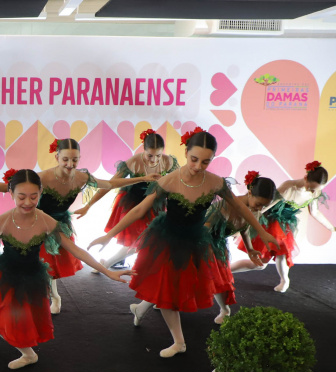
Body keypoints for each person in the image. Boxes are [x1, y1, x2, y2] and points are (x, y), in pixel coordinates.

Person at [90, 128, 277, 358]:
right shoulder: (170, 180)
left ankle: (142, 311)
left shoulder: (215, 182)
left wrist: (262, 233)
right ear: (186, 152)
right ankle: (179, 341)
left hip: (195, 243)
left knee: (174, 291)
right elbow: (140, 209)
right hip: (167, 240)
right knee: (167, 291)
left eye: (206, 162)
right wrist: (109, 235)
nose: (198, 166)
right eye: (194, 159)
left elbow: (241, 208)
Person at [0, 169, 132, 370]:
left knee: (14, 319)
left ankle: (29, 355)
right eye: (21, 197)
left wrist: (108, 272)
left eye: (34, 197)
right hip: (3, 274)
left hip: (30, 278)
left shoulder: (46, 221)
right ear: (11, 194)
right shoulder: (3, 221)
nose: (28, 202)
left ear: (40, 194)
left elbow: (76, 251)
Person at [0, 138, 118, 314]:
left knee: (47, 265)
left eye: (75, 160)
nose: (70, 164)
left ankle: (52, 297)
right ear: (57, 157)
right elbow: (8, 187)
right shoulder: (41, 178)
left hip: (55, 225)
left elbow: (111, 184)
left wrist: (141, 179)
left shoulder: (81, 177)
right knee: (20, 270)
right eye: (65, 159)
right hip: (32, 224)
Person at [232, 161, 336, 293]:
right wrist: (241, 227)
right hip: (270, 222)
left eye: (317, 189)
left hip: (285, 225)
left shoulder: (315, 193)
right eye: (311, 188)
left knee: (275, 257)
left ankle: (284, 280)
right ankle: (227, 271)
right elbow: (263, 209)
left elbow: (315, 212)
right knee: (262, 263)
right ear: (305, 178)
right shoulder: (289, 188)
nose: (313, 192)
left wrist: (332, 228)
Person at [74, 129, 176, 271]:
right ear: (143, 150)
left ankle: (107, 263)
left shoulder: (168, 162)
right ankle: (107, 263)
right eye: (150, 155)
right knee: (137, 241)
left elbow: (180, 181)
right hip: (133, 202)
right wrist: (88, 206)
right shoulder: (133, 162)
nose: (154, 160)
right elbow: (110, 184)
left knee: (146, 241)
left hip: (155, 204)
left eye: (158, 155)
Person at [204, 172, 275, 324]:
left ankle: (225, 310)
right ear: (249, 192)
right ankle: (159, 303)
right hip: (201, 239)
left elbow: (245, 228)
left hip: (217, 244)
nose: (260, 208)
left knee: (220, 278)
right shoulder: (225, 206)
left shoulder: (254, 210)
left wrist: (250, 249)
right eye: (259, 203)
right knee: (184, 274)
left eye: (264, 206)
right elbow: (205, 227)